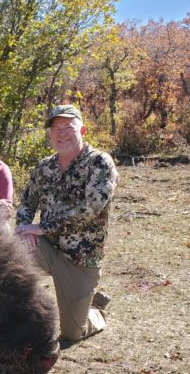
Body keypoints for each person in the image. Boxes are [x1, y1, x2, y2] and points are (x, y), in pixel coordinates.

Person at [14, 104, 118, 343]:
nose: (61, 133)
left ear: (82, 129)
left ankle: (95, 310)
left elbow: (91, 209)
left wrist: (41, 228)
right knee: (10, 256)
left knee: (72, 333)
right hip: (46, 249)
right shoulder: (44, 167)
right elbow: (27, 204)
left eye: (68, 127)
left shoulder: (100, 163)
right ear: (49, 135)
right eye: (55, 128)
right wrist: (23, 230)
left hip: (80, 260)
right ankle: (19, 320)